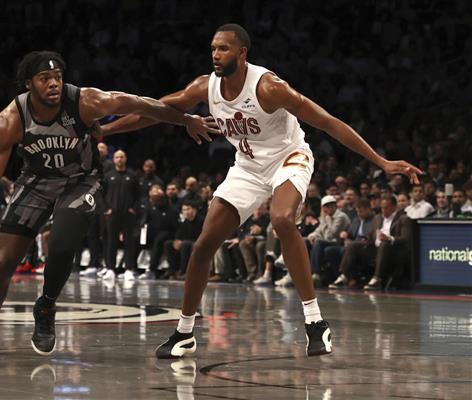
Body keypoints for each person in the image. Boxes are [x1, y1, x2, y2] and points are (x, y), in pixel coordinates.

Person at [102, 24, 421, 358]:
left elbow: (328, 122)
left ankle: (315, 322)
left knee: (281, 219)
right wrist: (105, 131)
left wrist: (381, 162)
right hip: (248, 166)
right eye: (213, 48)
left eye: (223, 48)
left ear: (242, 53)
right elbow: (153, 110)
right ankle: (184, 333)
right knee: (204, 244)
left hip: (289, 157)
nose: (215, 55)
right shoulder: (205, 86)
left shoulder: (268, 87)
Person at [0, 50, 219, 357]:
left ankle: (46, 306)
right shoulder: (11, 118)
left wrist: (185, 120)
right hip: (36, 181)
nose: (54, 83)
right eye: (45, 78)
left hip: (81, 180)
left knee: (62, 245)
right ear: (29, 84)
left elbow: (142, 104)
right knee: (4, 259)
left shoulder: (85, 101)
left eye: (58, 77)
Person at [101, 150, 140, 280]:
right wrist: (106, 209)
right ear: (113, 159)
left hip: (128, 214)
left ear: (125, 159)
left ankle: (128, 269)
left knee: (129, 242)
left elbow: (138, 195)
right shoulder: (108, 176)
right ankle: (110, 269)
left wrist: (133, 209)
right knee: (111, 241)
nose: (119, 159)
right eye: (117, 157)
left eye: (121, 157)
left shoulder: (132, 176)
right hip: (112, 214)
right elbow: (101, 194)